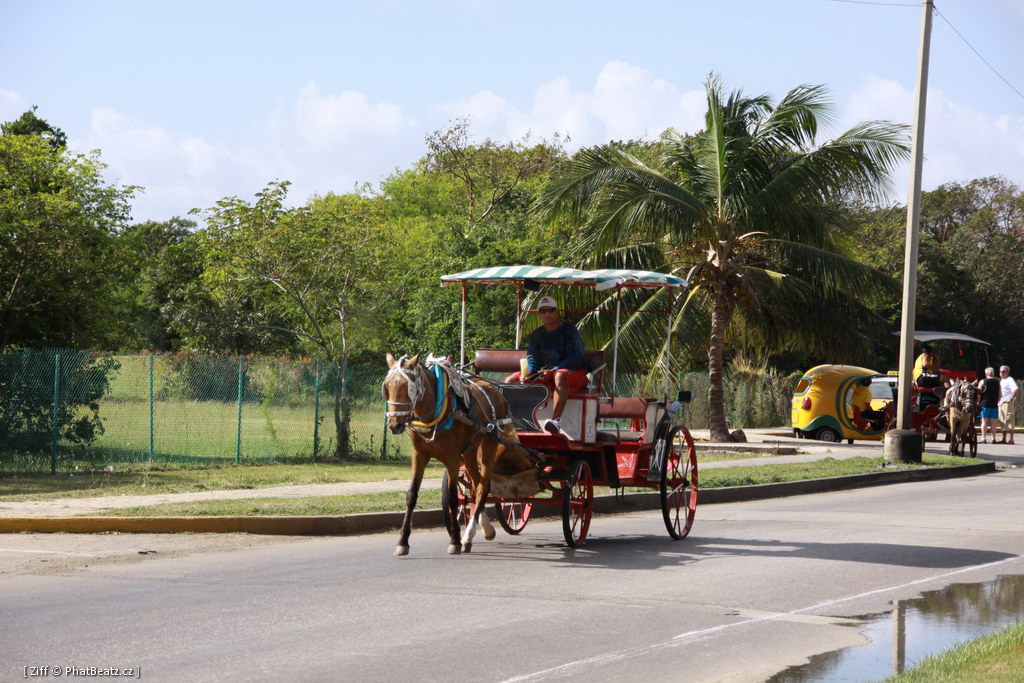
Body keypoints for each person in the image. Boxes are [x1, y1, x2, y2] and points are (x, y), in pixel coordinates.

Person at [503, 296, 588, 435]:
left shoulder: (570, 331)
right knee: (510, 381)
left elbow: (576, 357)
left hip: (572, 373)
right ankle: (512, 421)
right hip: (544, 374)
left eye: (551, 310)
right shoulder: (537, 334)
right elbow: (532, 356)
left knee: (559, 376)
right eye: (543, 311)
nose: (547, 314)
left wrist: (554, 371)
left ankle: (556, 422)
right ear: (539, 314)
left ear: (557, 311)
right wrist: (530, 371)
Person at [976, 367, 1001, 444]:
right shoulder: (997, 382)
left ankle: (983, 438)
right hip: (994, 404)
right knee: (993, 422)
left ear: (986, 373)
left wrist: (978, 402)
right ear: (993, 373)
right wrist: (997, 401)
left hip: (984, 403)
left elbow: (979, 393)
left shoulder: (982, 381)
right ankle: (994, 439)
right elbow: (1000, 394)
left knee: (984, 421)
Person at [997, 365, 1019, 444]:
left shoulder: (1010, 380)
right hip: (1001, 403)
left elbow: (1015, 389)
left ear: (1007, 372)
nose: (1001, 373)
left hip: (1007, 403)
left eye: (1003, 371)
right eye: (1000, 371)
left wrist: (1011, 398)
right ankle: (1003, 439)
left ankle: (1011, 439)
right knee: (1002, 420)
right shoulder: (1002, 380)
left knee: (1009, 419)